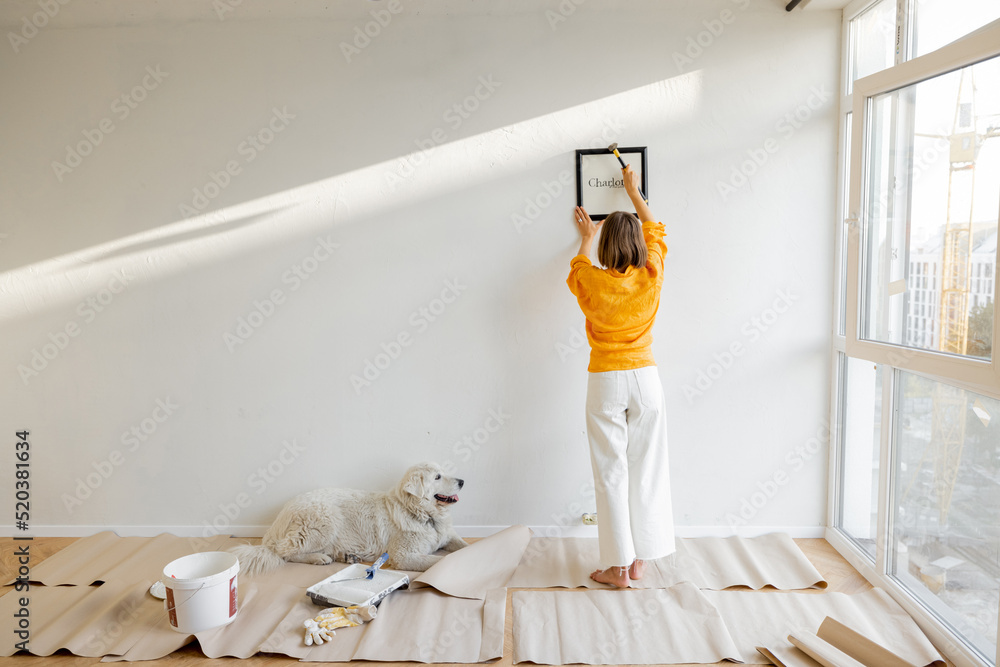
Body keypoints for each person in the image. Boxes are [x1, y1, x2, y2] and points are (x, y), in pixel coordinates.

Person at [566, 164, 675, 588]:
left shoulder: (590, 280)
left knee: (610, 473)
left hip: (606, 380)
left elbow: (576, 267)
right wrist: (633, 193)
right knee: (648, 469)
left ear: (606, 246)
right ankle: (641, 561)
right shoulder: (652, 274)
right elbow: (656, 230)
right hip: (646, 380)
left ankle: (616, 569)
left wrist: (587, 237)